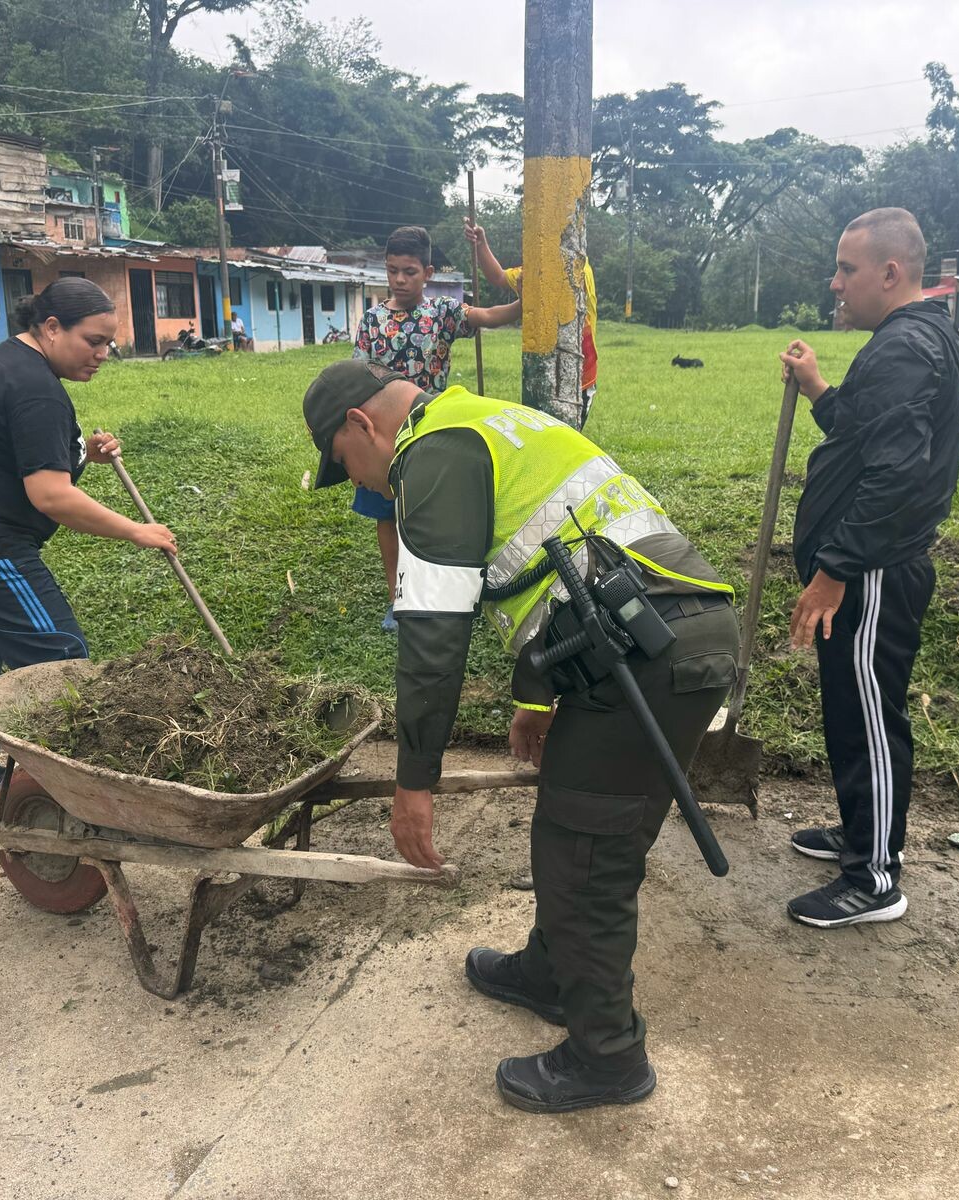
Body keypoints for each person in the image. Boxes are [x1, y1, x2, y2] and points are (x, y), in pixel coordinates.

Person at [303, 358, 738, 1114]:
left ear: (359, 425)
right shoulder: (485, 419)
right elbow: (557, 565)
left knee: (587, 855)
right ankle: (550, 973)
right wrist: (535, 699)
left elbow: (433, 638)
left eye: (350, 468)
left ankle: (607, 1055)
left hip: (644, 656)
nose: (366, 485)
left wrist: (415, 781)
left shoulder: (430, 456)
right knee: (579, 837)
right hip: (664, 637)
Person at [0, 278, 177, 820]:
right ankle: (76, 802)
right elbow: (50, 496)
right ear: (50, 328)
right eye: (93, 341)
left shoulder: (7, 362)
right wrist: (138, 530)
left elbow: (13, 458)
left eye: (109, 342)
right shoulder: (36, 388)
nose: (104, 354)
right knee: (59, 660)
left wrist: (79, 452)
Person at [777, 207, 959, 928]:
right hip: (864, 567)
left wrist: (836, 569)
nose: (836, 283)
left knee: (869, 721)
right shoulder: (907, 340)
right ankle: (862, 835)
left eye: (846, 269)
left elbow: (897, 480)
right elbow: (863, 436)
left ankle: (875, 879)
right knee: (851, 713)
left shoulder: (906, 348)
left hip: (873, 572)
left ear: (890, 273)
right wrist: (820, 386)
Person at [351, 225, 519, 632]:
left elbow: (489, 316)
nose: (400, 280)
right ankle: (397, 597)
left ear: (427, 272)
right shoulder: (373, 320)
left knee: (429, 516)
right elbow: (355, 375)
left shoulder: (442, 313)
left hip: (431, 432)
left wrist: (527, 302)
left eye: (409, 271)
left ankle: (437, 592)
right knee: (388, 516)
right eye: (392, 271)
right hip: (383, 438)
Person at [464, 219, 599, 427]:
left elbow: (553, 301)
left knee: (569, 432)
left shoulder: (577, 266)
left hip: (579, 369)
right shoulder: (532, 270)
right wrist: (481, 243)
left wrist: (528, 292)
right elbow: (498, 277)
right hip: (543, 366)